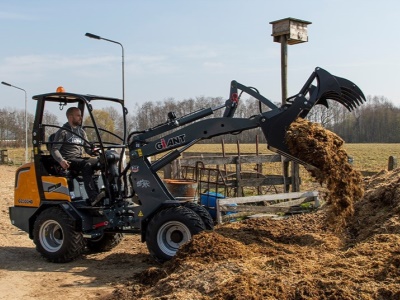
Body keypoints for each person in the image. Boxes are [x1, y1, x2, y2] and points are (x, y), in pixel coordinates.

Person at [51, 107, 102, 206]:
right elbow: (54, 149)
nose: (81, 118)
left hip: (79, 159)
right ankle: (93, 197)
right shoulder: (63, 132)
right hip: (69, 160)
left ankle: (107, 193)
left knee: (102, 162)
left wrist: (95, 152)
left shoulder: (81, 132)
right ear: (70, 117)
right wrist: (61, 161)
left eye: (80, 115)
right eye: (78, 115)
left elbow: (87, 149)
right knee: (86, 165)